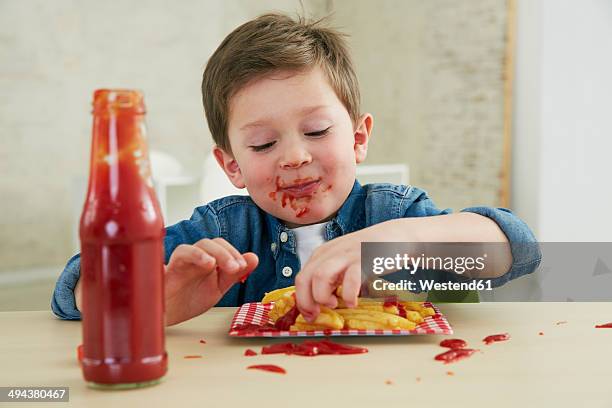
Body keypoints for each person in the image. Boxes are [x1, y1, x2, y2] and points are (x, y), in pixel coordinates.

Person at [52, 13, 540, 326]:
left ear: (359, 137)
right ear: (232, 166)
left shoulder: (393, 213)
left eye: (316, 131)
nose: (293, 157)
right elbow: (77, 285)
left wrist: (403, 242)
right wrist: (144, 302)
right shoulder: (223, 231)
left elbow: (515, 249)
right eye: (263, 143)